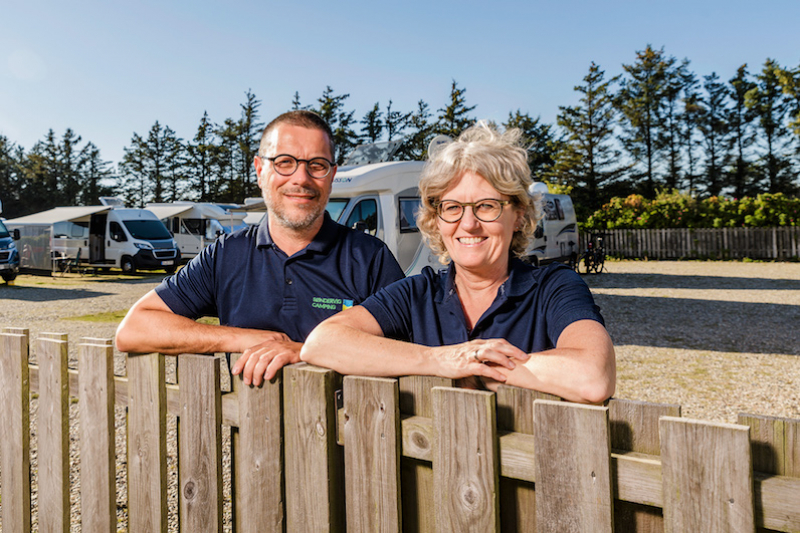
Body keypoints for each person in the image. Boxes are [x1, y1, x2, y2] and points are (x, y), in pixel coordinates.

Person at [301, 122, 615, 403]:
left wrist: (477, 362)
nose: (469, 224)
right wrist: (444, 360)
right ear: (436, 220)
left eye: (487, 205)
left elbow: (593, 376)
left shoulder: (554, 288)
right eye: (452, 207)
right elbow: (322, 343)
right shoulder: (416, 294)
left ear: (519, 215)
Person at [115, 110, 405, 386]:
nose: (301, 178)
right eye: (285, 162)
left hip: (346, 422)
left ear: (331, 175)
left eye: (317, 165)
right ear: (259, 170)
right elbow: (134, 329)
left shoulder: (370, 258)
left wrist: (306, 352)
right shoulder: (226, 255)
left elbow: (406, 350)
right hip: (249, 421)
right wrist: (243, 338)